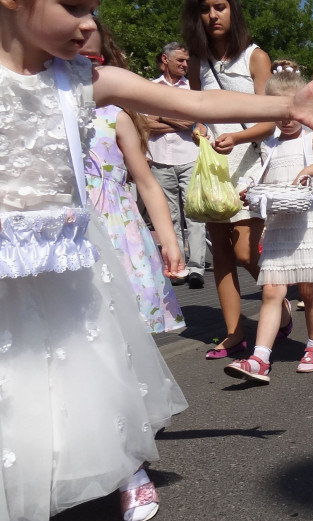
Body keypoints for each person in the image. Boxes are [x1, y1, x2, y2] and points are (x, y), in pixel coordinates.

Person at [0, 2, 313, 521]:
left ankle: (120, 465)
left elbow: (196, 102)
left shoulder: (87, 79)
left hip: (66, 258)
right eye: (73, 5)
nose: (88, 23)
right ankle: (1, 520)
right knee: (3, 380)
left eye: (93, 8)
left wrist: (286, 103)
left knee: (85, 364)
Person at [224, 64, 313, 383]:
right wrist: (249, 190)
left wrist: (309, 172)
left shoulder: (312, 137)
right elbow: (261, 174)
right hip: (281, 224)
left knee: (310, 288)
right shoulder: (268, 142)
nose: (285, 117)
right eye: (279, 109)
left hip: (311, 222)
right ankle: (259, 358)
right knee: (272, 289)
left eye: (291, 108)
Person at [182, 0, 276, 359]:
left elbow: (269, 119)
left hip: (245, 160)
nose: (212, 15)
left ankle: (276, 302)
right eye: (205, 9)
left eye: (219, 6)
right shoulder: (197, 60)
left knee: (244, 249)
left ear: (233, 11)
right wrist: (198, 127)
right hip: (212, 163)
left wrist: (236, 137)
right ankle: (234, 332)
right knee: (220, 251)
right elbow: (192, 111)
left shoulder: (255, 57)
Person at [84, 21, 186, 334]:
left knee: (118, 322)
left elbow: (145, 182)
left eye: (91, 61)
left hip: (113, 227)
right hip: (68, 225)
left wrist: (169, 241)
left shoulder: (114, 116)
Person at [146, 41, 207, 289]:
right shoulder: (149, 88)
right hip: (160, 158)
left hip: (189, 157)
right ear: (165, 59)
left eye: (187, 61)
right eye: (180, 60)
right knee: (168, 216)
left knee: (194, 213)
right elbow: (143, 124)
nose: (185, 65)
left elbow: (192, 120)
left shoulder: (193, 89)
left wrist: (159, 114)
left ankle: (197, 268)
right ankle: (177, 266)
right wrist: (177, 120)